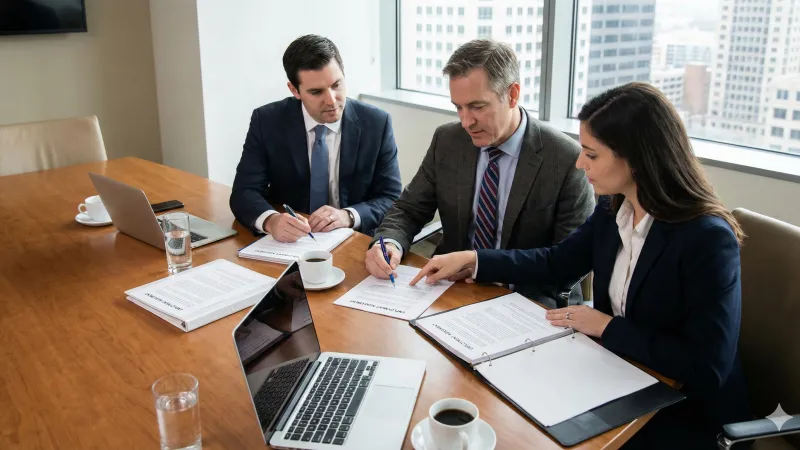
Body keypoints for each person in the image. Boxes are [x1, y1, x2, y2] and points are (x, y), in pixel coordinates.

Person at [408, 82, 752, 449]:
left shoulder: (707, 238)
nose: (578, 162)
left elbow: (708, 366)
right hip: (616, 375)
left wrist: (606, 326)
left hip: (685, 411)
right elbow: (556, 262)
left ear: (635, 159)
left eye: (591, 154)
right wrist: (475, 261)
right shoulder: (614, 208)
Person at [364, 39, 595, 307]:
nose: (466, 121)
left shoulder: (565, 159)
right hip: (451, 291)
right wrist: (389, 243)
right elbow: (409, 209)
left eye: (477, 106)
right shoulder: (448, 140)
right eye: (458, 107)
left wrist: (482, 266)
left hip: (527, 298)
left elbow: (567, 262)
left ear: (512, 95)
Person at [230, 35, 402, 241]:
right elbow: (244, 192)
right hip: (292, 241)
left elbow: (391, 198)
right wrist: (271, 221)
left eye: (336, 85)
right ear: (294, 90)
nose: (331, 100)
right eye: (316, 91)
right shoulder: (267, 121)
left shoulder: (376, 123)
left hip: (353, 238)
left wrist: (348, 216)